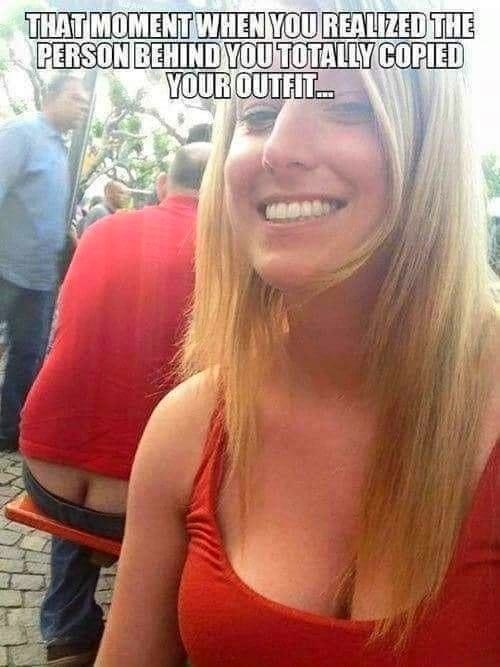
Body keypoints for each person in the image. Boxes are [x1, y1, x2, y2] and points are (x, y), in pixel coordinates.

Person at [96, 2, 500, 666]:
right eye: (257, 114)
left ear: (434, 146)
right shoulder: (189, 426)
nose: (278, 147)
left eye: (347, 105)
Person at [19, 142, 211, 666]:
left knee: (85, 432)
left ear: (163, 184)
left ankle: (68, 629)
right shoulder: (227, 252)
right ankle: (167, 632)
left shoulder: (102, 230)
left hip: (44, 473)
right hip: (132, 502)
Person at [0, 74, 89, 452]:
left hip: (39, 278)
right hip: (6, 269)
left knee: (29, 353)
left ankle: (6, 431)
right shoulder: (21, 134)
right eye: (75, 98)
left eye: (85, 101)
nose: (83, 106)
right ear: (50, 97)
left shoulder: (58, 148)